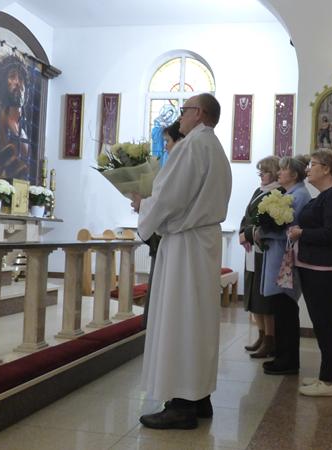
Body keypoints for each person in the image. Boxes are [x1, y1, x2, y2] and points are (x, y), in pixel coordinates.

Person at [131, 93, 231, 429]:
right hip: (201, 242)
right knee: (197, 320)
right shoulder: (214, 148)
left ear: (198, 113)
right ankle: (199, 397)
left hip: (185, 245)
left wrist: (142, 206)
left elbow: (169, 197)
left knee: (180, 319)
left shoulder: (192, 146)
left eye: (184, 110)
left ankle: (181, 405)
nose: (180, 117)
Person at [288, 149, 332, 397]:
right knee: (321, 323)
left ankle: (329, 382)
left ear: (326, 168)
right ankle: (325, 375)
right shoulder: (324, 196)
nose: (307, 169)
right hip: (314, 266)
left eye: (312, 164)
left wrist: (301, 233)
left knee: (326, 324)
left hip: (325, 268)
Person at [259, 155, 312, 375]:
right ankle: (281, 356)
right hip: (278, 257)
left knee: (286, 312)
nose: (279, 172)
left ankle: (288, 361)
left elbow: (291, 231)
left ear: (295, 174)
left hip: (286, 261)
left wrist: (262, 232)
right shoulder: (289, 193)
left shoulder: (299, 196)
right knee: (280, 311)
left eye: (283, 169)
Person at [142, 120, 185, 327]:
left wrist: (143, 205)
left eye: (167, 141)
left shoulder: (180, 165)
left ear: (179, 140)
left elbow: (167, 202)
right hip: (165, 235)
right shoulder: (175, 163)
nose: (165, 146)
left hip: (171, 235)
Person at [240, 156, 282, 357]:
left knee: (264, 298)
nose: (261, 176)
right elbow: (247, 215)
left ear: (274, 173)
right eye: (260, 172)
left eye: (264, 172)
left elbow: (268, 223)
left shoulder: (278, 193)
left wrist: (248, 234)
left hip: (264, 250)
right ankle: (261, 334)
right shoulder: (259, 191)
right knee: (252, 295)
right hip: (251, 249)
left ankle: (270, 340)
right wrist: (243, 233)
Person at [0, 54, 31, 180]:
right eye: (12, 76)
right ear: (3, 82)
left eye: (21, 78)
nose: (18, 82)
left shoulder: (23, 129)